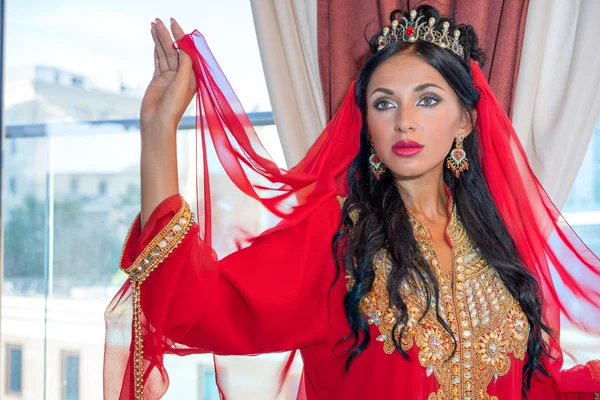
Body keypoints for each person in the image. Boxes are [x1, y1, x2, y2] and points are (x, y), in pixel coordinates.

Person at [104, 5, 600, 400]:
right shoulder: (337, 238)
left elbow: (531, 385)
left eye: (428, 99)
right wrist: (158, 130)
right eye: (384, 103)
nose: (404, 119)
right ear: (367, 124)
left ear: (465, 122)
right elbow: (195, 307)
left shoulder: (496, 239)